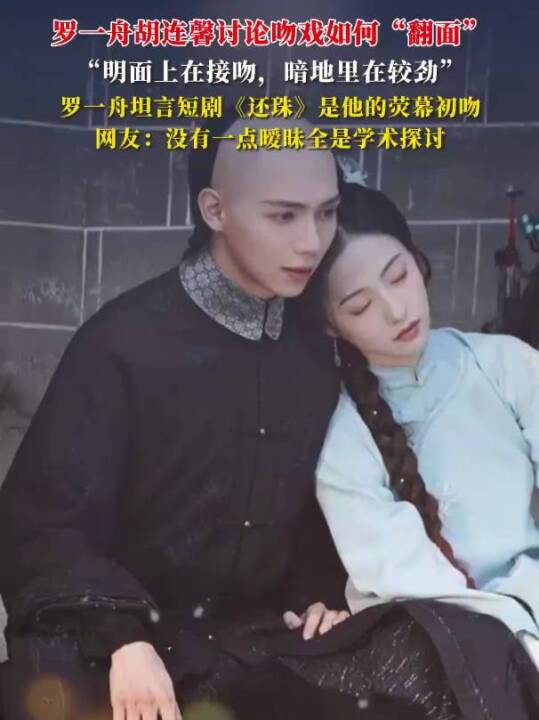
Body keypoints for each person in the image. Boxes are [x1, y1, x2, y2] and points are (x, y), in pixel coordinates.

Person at [0, 113, 362, 720]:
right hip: (115, 641)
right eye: (284, 216)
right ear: (215, 210)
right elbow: (40, 528)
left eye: (326, 213)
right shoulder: (122, 341)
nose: (311, 241)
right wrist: (125, 638)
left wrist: (320, 596)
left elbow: (315, 519)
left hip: (254, 642)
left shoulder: (312, 352)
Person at [301, 178, 539, 719]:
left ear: (418, 260)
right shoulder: (344, 439)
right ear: (331, 325)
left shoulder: (505, 365)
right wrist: (521, 638)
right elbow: (409, 579)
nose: (395, 310)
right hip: (441, 643)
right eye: (361, 305)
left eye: (398, 276)